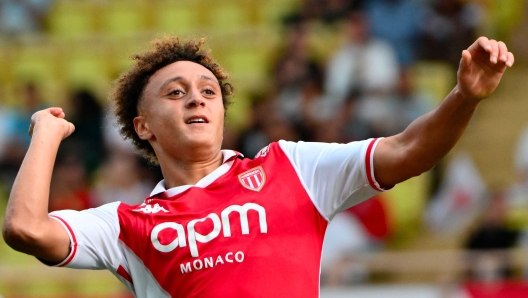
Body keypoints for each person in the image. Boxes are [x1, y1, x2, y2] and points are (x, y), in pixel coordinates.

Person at [2, 36, 514, 297]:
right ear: (143, 127)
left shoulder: (291, 167)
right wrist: (46, 135)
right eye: (175, 93)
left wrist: (464, 98)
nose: (196, 101)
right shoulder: (126, 225)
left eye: (208, 92)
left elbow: (408, 151)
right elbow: (26, 229)